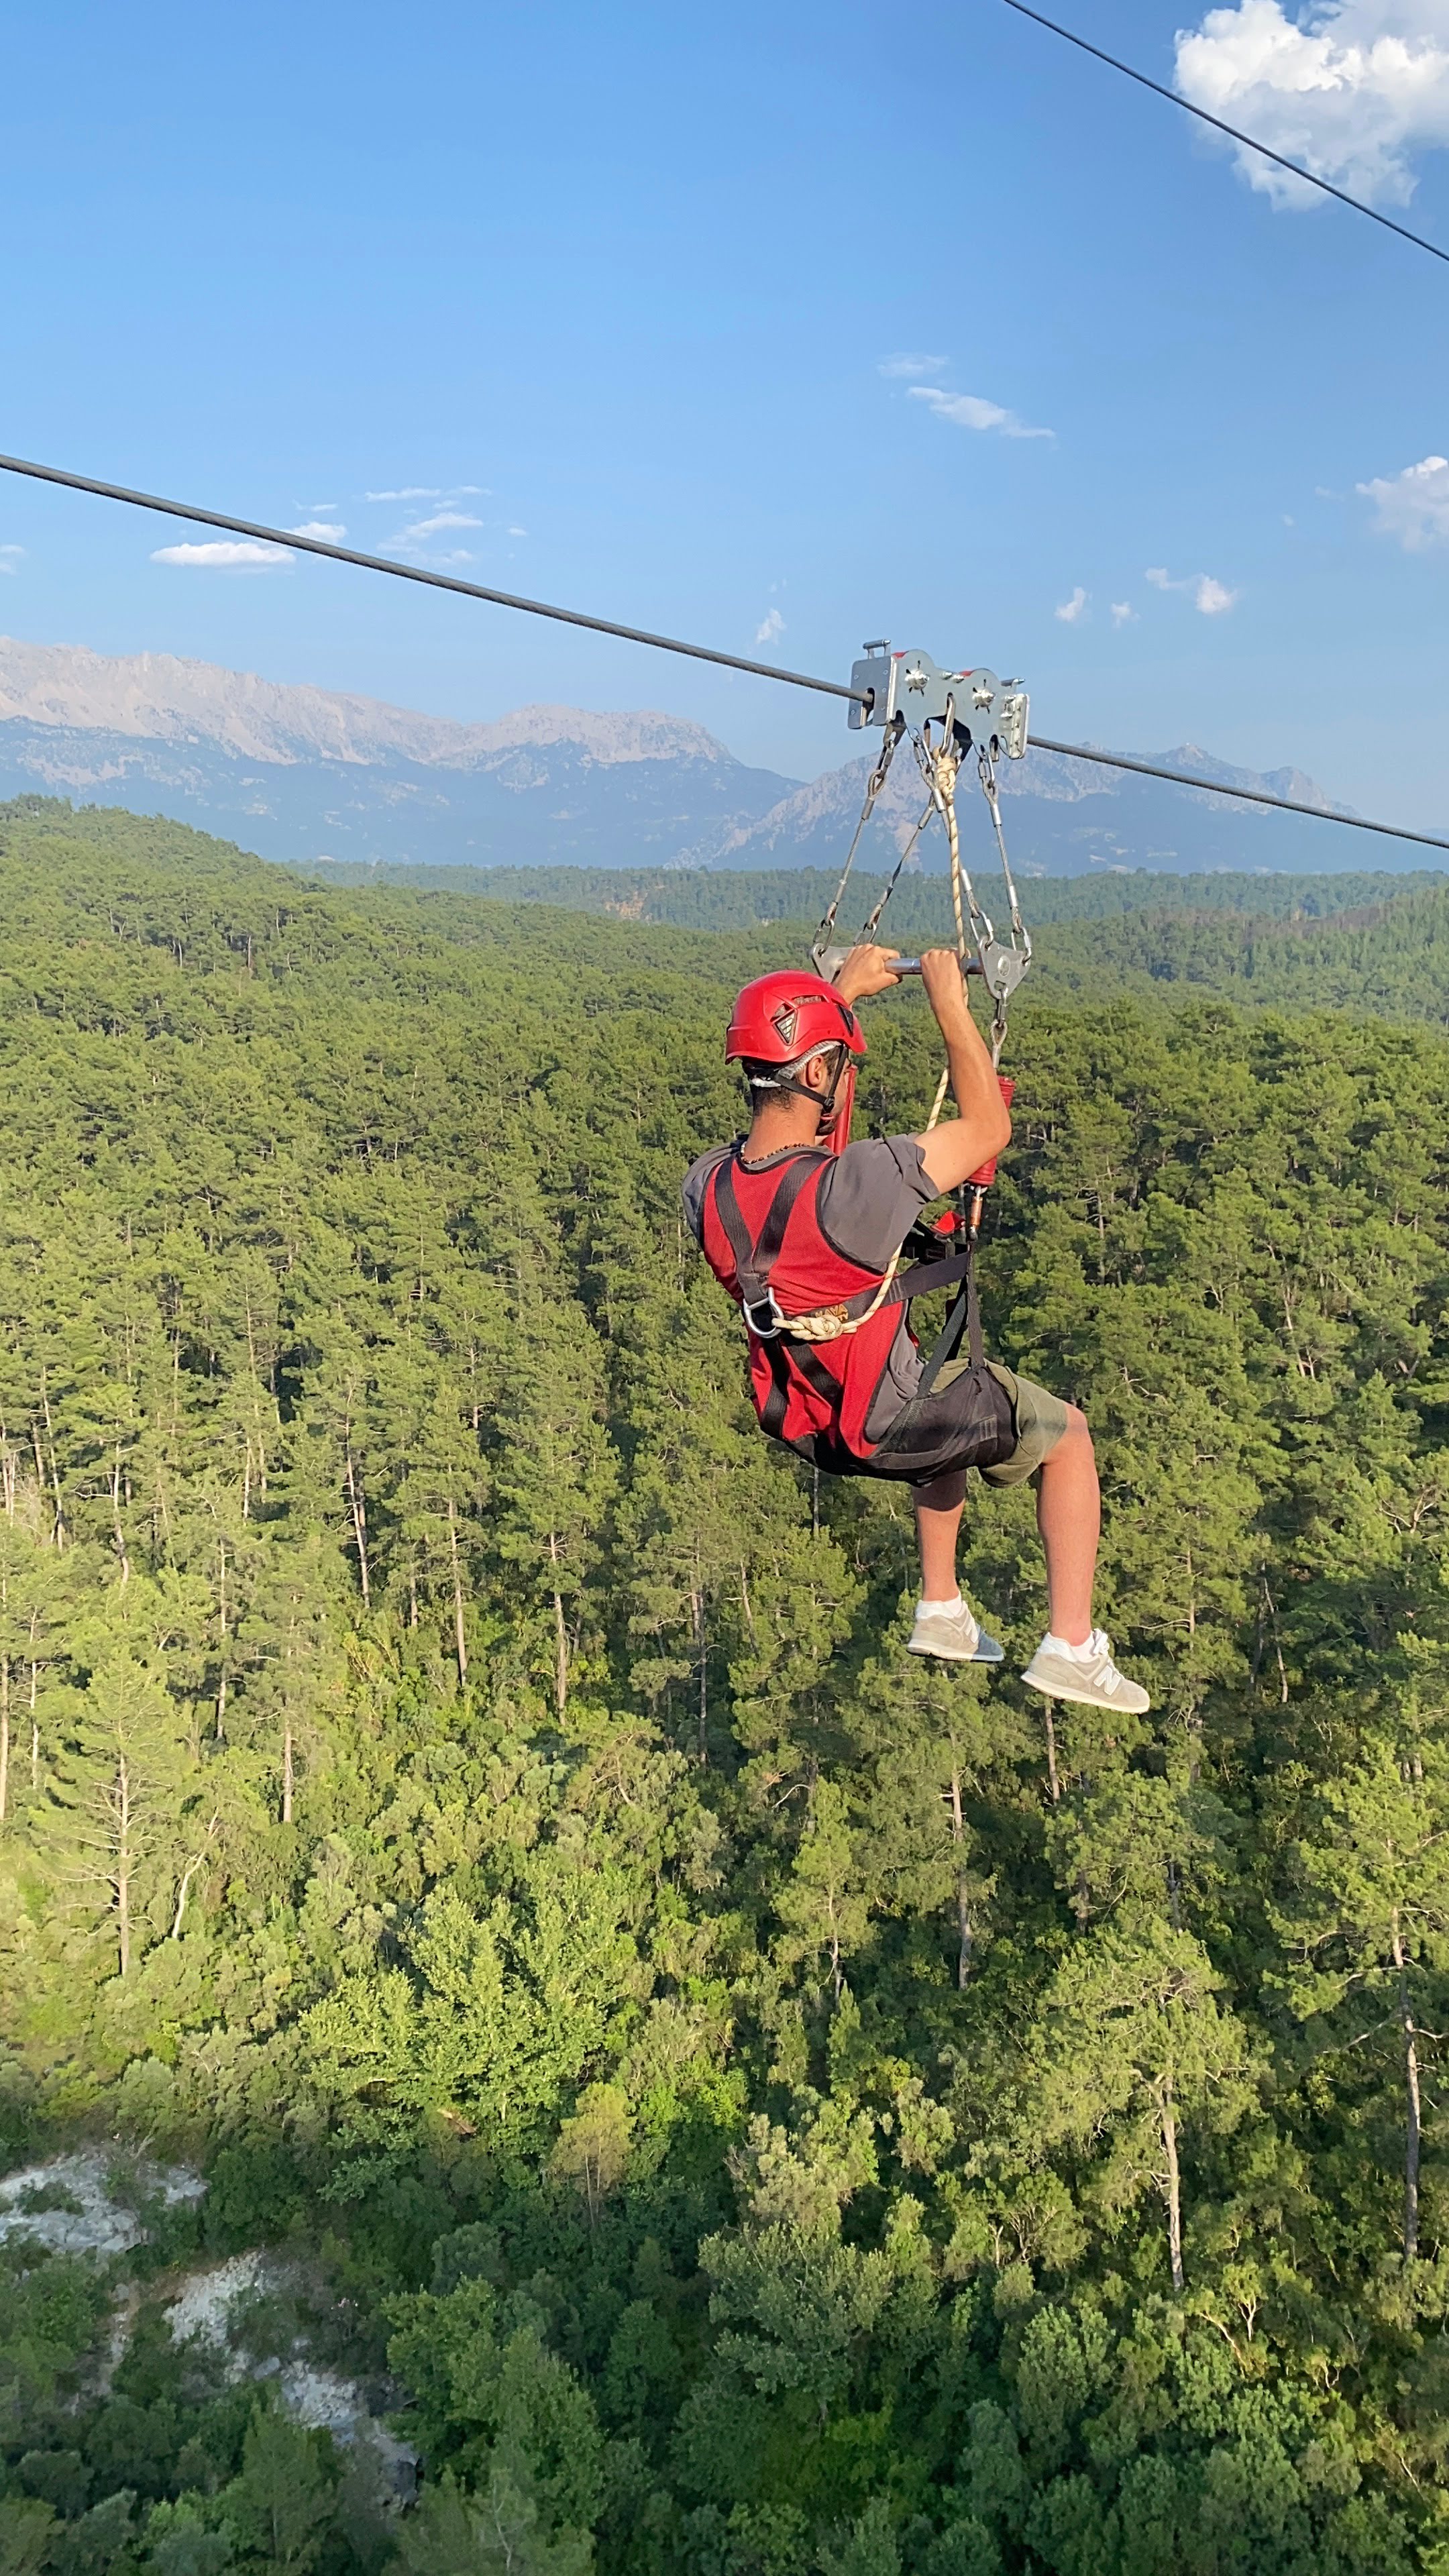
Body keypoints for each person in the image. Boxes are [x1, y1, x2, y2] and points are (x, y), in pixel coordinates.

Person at [682, 944, 1148, 1714]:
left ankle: (942, 1607)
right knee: (1070, 1440)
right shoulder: (862, 1180)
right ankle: (1072, 1644)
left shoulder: (708, 1185)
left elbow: (805, 1175)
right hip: (886, 1421)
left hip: (806, 1420)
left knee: (943, 1395)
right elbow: (986, 1128)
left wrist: (839, 999)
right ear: (818, 1073)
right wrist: (949, 1005)